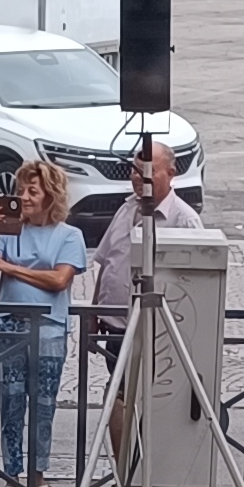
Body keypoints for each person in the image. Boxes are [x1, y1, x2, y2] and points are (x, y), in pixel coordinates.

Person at [0, 156, 84, 487]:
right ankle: (11, 479)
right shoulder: (8, 231)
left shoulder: (69, 235)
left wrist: (9, 268)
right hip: (10, 324)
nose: (23, 197)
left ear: (50, 195)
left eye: (32, 191)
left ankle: (37, 480)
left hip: (49, 326)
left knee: (43, 404)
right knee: (10, 402)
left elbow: (59, 280)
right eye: (21, 190)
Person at [90, 141, 201, 351]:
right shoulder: (126, 208)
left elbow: (195, 283)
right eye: (135, 171)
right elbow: (107, 263)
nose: (139, 178)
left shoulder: (184, 220)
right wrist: (93, 312)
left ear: (170, 174)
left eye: (149, 172)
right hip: (114, 326)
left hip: (157, 333)